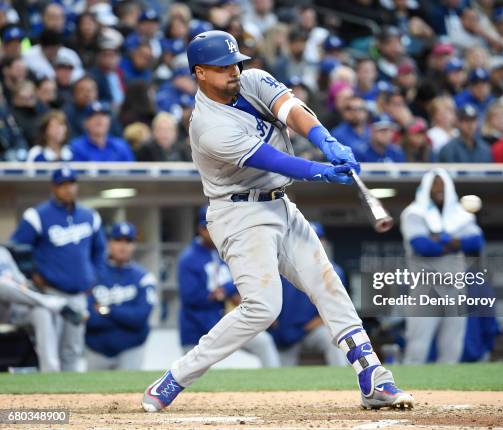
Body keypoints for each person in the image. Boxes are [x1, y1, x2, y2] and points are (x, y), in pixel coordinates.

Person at [142, 30, 414, 412]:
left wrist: (325, 139)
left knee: (327, 283)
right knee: (263, 307)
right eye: (222, 68)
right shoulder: (207, 125)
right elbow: (273, 160)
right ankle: (177, 376)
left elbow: (291, 109)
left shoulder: (251, 79)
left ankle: (373, 377)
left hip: (280, 204)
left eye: (235, 63)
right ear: (200, 73)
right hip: (238, 214)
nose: (233, 71)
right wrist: (320, 170)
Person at [9, 167, 106, 372]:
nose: (68, 188)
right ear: (54, 187)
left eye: (71, 183)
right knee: (50, 348)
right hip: (51, 294)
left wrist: (93, 278)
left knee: (72, 349)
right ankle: (49, 396)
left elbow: (100, 251)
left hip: (78, 295)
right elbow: (15, 249)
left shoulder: (89, 215)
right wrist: (32, 274)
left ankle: (69, 396)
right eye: (63, 184)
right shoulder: (37, 215)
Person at [400, 169, 484, 364]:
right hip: (426, 289)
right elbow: (423, 246)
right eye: (434, 184)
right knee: (417, 349)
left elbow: (476, 242)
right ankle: (408, 392)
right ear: (426, 187)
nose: (439, 188)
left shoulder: (460, 215)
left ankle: (448, 394)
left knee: (452, 349)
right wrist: (455, 243)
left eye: (442, 184)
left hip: (456, 288)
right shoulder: (414, 212)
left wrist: (443, 240)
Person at [177, 207, 279, 366]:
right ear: (201, 229)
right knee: (192, 374)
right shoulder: (188, 259)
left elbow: (242, 279)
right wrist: (219, 294)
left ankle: (277, 388)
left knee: (264, 343)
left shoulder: (228, 250)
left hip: (226, 321)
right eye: (208, 227)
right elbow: (190, 297)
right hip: (197, 327)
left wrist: (224, 291)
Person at [270, 222, 347, 367]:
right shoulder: (281, 267)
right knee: (278, 372)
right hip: (283, 332)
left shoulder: (333, 271)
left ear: (323, 242)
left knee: (333, 337)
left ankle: (341, 380)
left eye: (316, 239)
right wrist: (275, 323)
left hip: (312, 331)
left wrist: (303, 329)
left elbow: (334, 312)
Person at [85, 222, 157, 370]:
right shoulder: (91, 275)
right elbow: (90, 319)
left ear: (134, 245)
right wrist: (124, 316)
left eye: (128, 241)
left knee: (131, 393)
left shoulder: (144, 277)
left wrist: (107, 310)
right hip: (96, 350)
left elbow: (139, 318)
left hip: (131, 349)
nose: (123, 246)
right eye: (118, 240)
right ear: (109, 243)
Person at [0, 244, 86, 326]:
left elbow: (20, 278)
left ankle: (51, 305)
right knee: (2, 286)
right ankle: (54, 303)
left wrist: (23, 284)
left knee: (42, 311)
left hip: (15, 305)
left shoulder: (3, 252)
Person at [70, 101, 134, 162]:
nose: (99, 119)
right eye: (94, 116)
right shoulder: (75, 148)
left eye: (103, 115)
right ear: (85, 123)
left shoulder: (121, 147)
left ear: (109, 121)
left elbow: (132, 171)